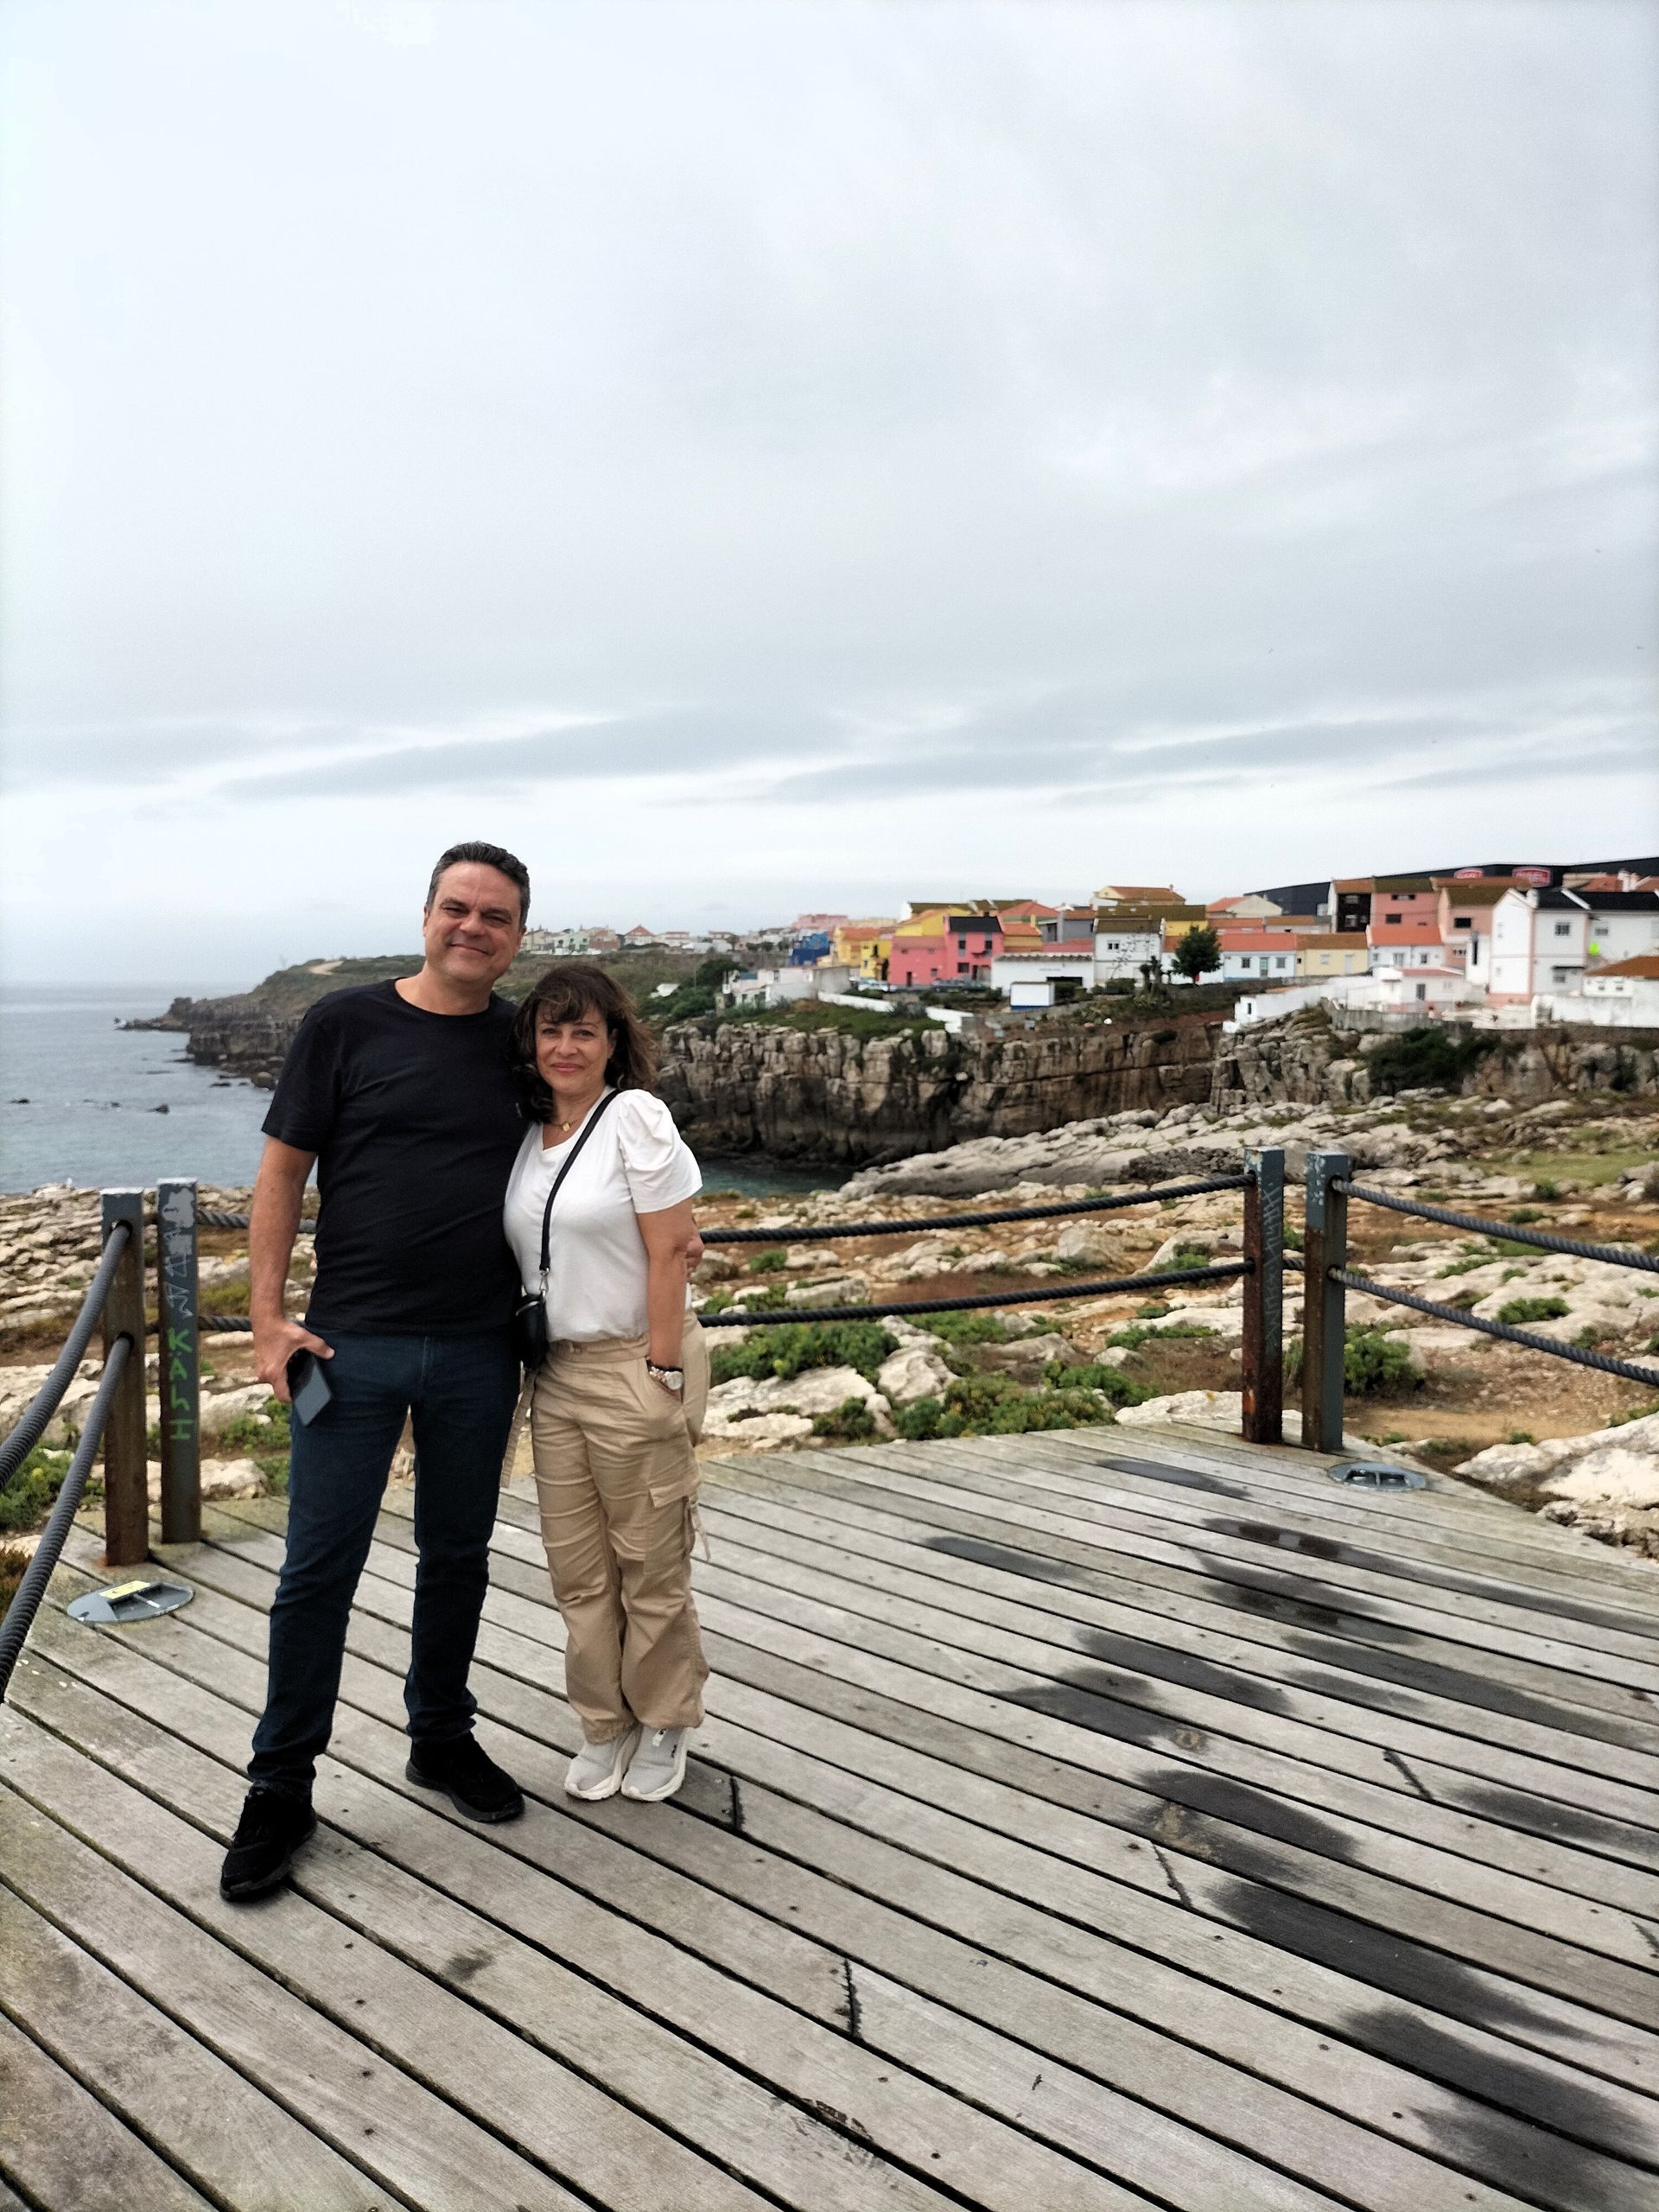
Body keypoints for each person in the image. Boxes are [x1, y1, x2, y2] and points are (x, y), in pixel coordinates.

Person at [220, 842, 532, 1902]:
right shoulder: (344, 1022)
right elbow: (279, 1174)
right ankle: (280, 1786)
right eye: (457, 908)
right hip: (352, 1345)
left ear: (518, 937)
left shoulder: (523, 1040)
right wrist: (268, 1321)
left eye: (494, 916)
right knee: (318, 1571)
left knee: (459, 1554)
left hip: (481, 1347)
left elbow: (588, 1153)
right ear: (428, 913)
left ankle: (439, 1736)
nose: (472, 928)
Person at [504, 961, 709, 1805]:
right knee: (578, 1570)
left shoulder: (635, 1116)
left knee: (650, 1562)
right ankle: (604, 1721)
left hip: (633, 1361)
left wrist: (663, 1368)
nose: (565, 1044)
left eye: (583, 1029)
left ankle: (665, 1718)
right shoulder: (521, 1131)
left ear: (613, 1041)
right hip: (553, 1375)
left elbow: (672, 1245)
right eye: (551, 1029)